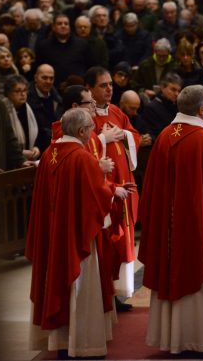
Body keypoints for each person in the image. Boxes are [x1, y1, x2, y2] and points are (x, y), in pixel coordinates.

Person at [139, 85, 203, 354]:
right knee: (197, 272)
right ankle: (196, 340)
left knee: (170, 268)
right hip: (195, 229)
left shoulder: (164, 136)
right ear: (202, 109)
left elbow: (151, 189)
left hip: (167, 228)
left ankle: (170, 338)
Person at [26, 108, 128, 358]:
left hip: (53, 236)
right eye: (91, 129)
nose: (93, 132)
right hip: (76, 238)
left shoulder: (49, 153)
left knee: (55, 282)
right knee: (80, 288)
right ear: (82, 131)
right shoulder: (82, 158)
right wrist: (112, 192)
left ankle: (61, 342)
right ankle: (82, 345)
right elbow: (96, 198)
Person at [84, 66, 141, 310]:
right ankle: (104, 293)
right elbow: (83, 151)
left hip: (123, 187)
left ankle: (117, 293)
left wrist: (124, 135)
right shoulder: (85, 118)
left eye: (110, 84)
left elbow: (135, 136)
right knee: (106, 241)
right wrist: (103, 139)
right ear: (89, 89)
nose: (109, 89)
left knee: (122, 241)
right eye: (103, 85)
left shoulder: (116, 111)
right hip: (106, 189)